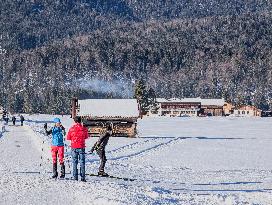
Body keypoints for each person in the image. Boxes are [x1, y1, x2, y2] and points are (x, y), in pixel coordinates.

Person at [66, 116, 89, 181]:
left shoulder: (71, 128)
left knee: (74, 162)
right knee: (82, 162)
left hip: (74, 146)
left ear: (75, 121)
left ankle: (75, 177)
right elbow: (86, 137)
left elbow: (68, 138)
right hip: (81, 147)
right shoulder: (84, 128)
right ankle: (83, 178)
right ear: (80, 121)